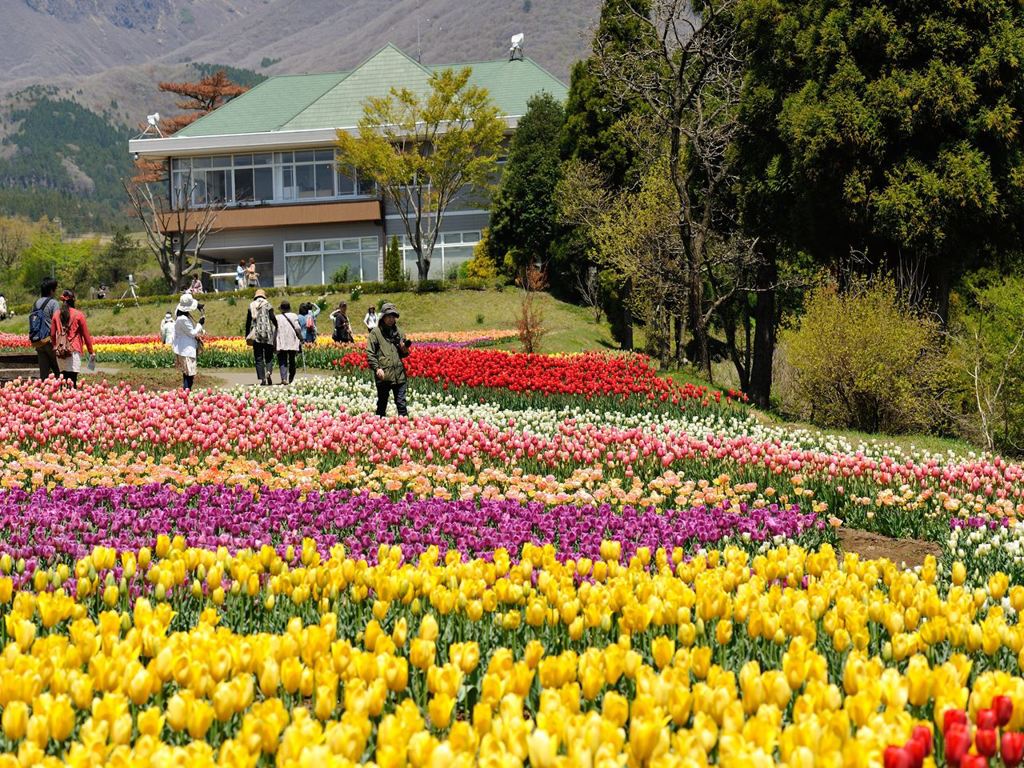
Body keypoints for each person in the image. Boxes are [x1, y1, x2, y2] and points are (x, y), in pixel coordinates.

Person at [367, 302, 411, 417]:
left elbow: (404, 355)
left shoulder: (400, 332)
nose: (391, 319)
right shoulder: (375, 333)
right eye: (389, 316)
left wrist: (404, 349)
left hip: (399, 375)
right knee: (382, 405)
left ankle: (405, 430)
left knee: (401, 405)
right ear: (383, 317)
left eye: (393, 316)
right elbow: (370, 353)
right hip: (384, 375)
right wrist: (377, 369)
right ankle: (379, 429)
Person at [50, 289, 95, 386]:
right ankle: (72, 399)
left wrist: (55, 346)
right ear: (73, 300)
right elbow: (86, 336)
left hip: (61, 351)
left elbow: (52, 334)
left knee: (63, 379)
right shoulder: (78, 314)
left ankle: (63, 399)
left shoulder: (56, 314)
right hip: (74, 350)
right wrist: (91, 351)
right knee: (72, 380)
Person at [29, 278, 61, 380]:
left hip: (38, 341)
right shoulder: (53, 303)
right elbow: (57, 321)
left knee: (44, 374)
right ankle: (62, 393)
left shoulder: (36, 303)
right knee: (58, 371)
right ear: (51, 290)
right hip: (49, 341)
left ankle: (44, 393)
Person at [172, 293, 205, 391]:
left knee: (187, 373)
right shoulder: (183, 319)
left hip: (184, 348)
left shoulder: (179, 313)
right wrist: (200, 324)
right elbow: (193, 333)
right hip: (186, 349)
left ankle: (186, 391)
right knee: (189, 374)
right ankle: (186, 391)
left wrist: (198, 305)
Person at [246, 289, 278, 385]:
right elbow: (273, 318)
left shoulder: (251, 305)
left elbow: (248, 322)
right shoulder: (268, 305)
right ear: (264, 296)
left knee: (259, 357)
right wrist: (277, 326)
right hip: (268, 334)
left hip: (256, 335)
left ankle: (263, 379)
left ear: (256, 296)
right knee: (269, 356)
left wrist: (246, 334)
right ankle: (268, 371)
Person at [275, 300, 302, 384]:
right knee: (292, 359)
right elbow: (297, 328)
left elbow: (275, 329)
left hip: (282, 340)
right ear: (289, 308)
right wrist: (300, 337)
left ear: (281, 309)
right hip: (292, 340)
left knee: (282, 359)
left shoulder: (277, 317)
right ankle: (291, 377)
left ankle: (284, 378)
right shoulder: (294, 316)